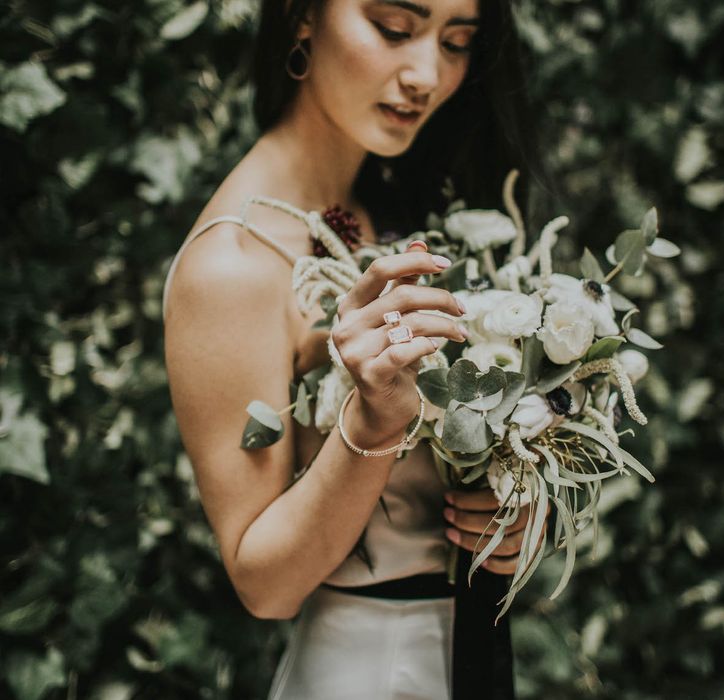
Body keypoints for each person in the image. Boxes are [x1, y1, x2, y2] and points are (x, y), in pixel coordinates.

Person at [162, 0, 548, 697]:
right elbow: (265, 584)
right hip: (370, 669)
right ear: (303, 15)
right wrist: (371, 422)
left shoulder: (399, 199)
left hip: (465, 650)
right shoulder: (234, 265)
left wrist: (511, 502)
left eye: (458, 43)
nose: (426, 74)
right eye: (395, 29)